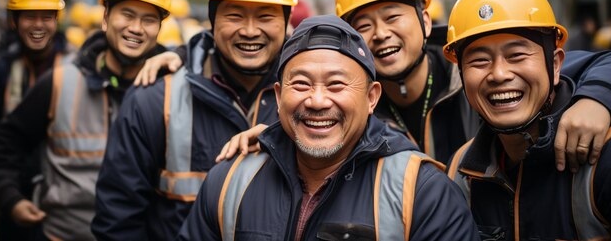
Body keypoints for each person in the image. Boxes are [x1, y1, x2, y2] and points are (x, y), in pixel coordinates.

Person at [218, 0, 611, 174]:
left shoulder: (474, 71)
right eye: (364, 26)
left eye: (393, 18)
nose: (380, 35)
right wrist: (276, 136)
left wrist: (595, 100)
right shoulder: (348, 104)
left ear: (425, 20)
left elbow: (601, 63)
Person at [176, 14, 480, 241]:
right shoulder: (230, 181)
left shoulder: (423, 192)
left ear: (371, 97)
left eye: (336, 84)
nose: (317, 101)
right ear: (279, 97)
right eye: (301, 84)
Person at [92, 0, 297, 240]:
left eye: (265, 16)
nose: (250, 30)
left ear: (287, 23)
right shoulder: (153, 99)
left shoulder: (311, 103)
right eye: (235, 15)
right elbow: (117, 221)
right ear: (212, 21)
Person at [0, 0, 171, 240]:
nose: (136, 28)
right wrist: (11, 198)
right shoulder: (60, 82)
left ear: (159, 28)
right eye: (127, 14)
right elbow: (5, 145)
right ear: (105, 18)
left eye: (149, 20)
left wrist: (181, 55)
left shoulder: (174, 91)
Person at [444, 0, 611, 240]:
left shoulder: (610, 156)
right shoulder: (461, 171)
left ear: (556, 65)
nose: (499, 74)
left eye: (516, 55)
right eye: (479, 60)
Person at [0, 0, 73, 241]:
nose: (38, 25)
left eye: (47, 16)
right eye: (29, 16)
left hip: (65, 205)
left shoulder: (75, 69)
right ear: (13, 21)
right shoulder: (1, 70)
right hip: (12, 201)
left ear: (56, 20)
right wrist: (8, 197)